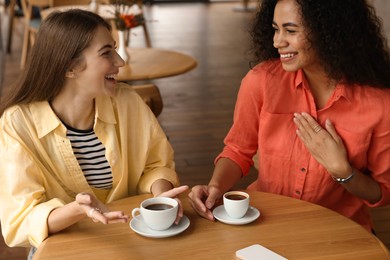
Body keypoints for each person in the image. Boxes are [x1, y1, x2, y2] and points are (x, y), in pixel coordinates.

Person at [189, 0, 390, 232]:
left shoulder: (380, 104)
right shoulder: (260, 81)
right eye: (276, 29)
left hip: (339, 232)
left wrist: (343, 172)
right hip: (265, 223)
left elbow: (383, 192)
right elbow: (237, 150)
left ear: (330, 30)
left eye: (291, 31)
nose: (277, 42)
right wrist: (215, 186)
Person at [0, 9, 188, 254]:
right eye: (107, 53)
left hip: (132, 239)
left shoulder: (128, 102)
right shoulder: (17, 124)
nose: (120, 62)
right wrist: (77, 210)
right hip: (64, 247)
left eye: (115, 49)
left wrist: (163, 198)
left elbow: (155, 164)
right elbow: (19, 220)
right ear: (70, 66)